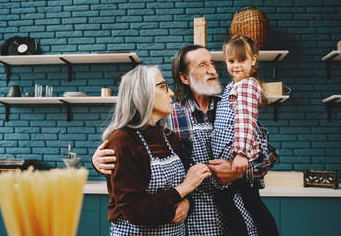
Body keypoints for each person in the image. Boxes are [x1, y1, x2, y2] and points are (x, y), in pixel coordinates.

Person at [93, 45, 279, 235]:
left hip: (239, 219)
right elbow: (133, 157)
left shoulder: (234, 105)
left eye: (213, 63)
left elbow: (270, 155)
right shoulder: (169, 117)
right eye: (202, 65)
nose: (212, 70)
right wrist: (99, 160)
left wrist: (240, 172)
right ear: (184, 77)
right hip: (195, 223)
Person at [101, 64, 211, 235]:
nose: (172, 93)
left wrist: (186, 202)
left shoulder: (170, 137)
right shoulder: (122, 140)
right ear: (142, 93)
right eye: (162, 87)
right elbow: (136, 212)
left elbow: (177, 192)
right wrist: (185, 187)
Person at [211, 35, 279, 235]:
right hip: (233, 152)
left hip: (238, 153)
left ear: (254, 60)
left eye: (242, 60)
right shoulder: (233, 86)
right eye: (231, 61)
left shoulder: (247, 85)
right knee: (251, 200)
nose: (236, 66)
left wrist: (241, 153)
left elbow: (245, 118)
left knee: (225, 199)